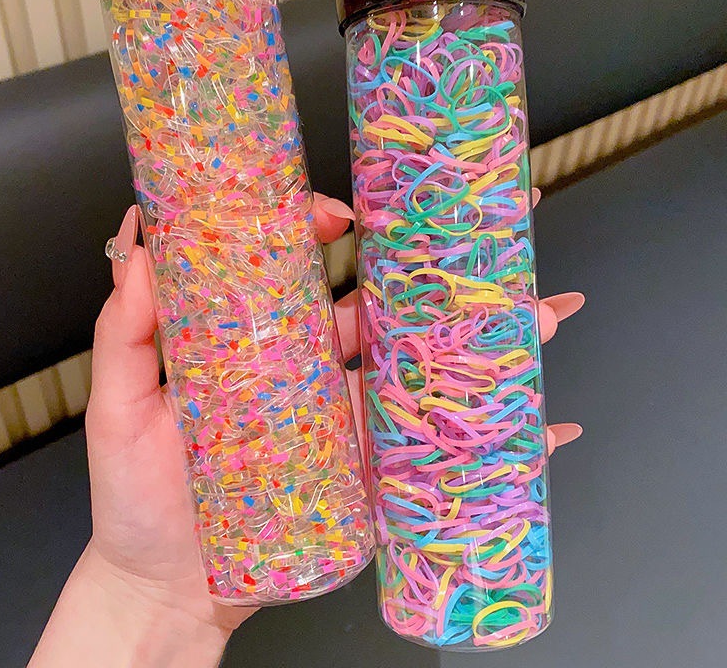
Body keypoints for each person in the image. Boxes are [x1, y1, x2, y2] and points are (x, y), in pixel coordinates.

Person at [29, 194, 584, 667]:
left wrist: (142, 598)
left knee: (465, 377)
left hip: (479, 565)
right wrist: (143, 590)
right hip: (233, 542)